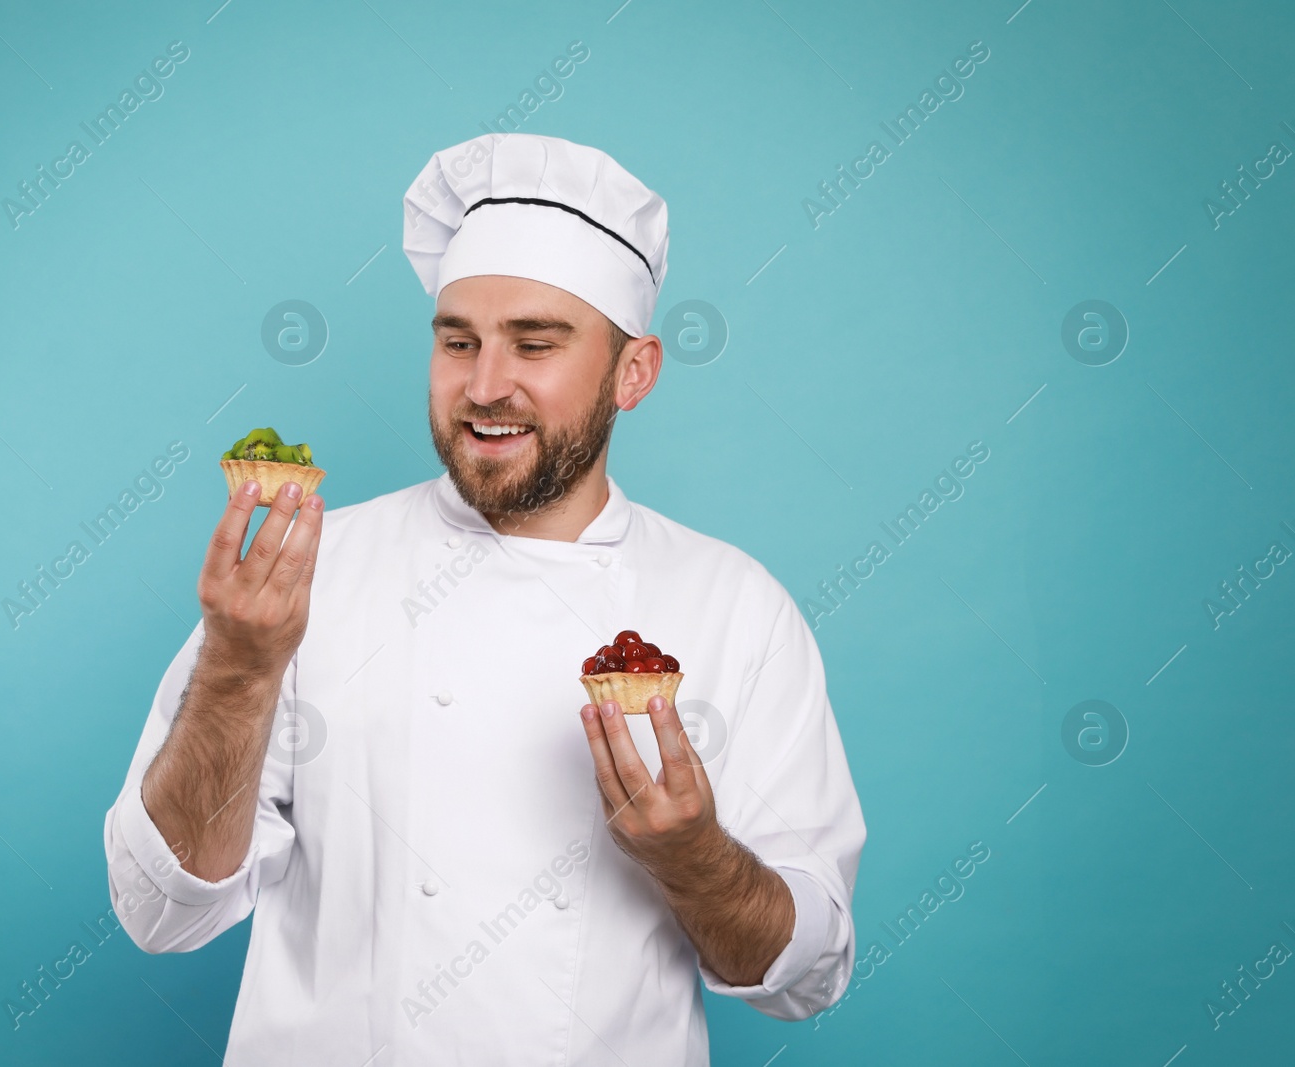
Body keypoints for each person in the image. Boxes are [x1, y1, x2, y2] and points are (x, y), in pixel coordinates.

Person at [104, 132, 865, 1065]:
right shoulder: (303, 574)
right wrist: (238, 668)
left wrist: (694, 856)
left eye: (534, 344)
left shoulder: (735, 607)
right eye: (457, 341)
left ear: (636, 372)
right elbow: (158, 912)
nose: (484, 386)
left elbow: (808, 975)